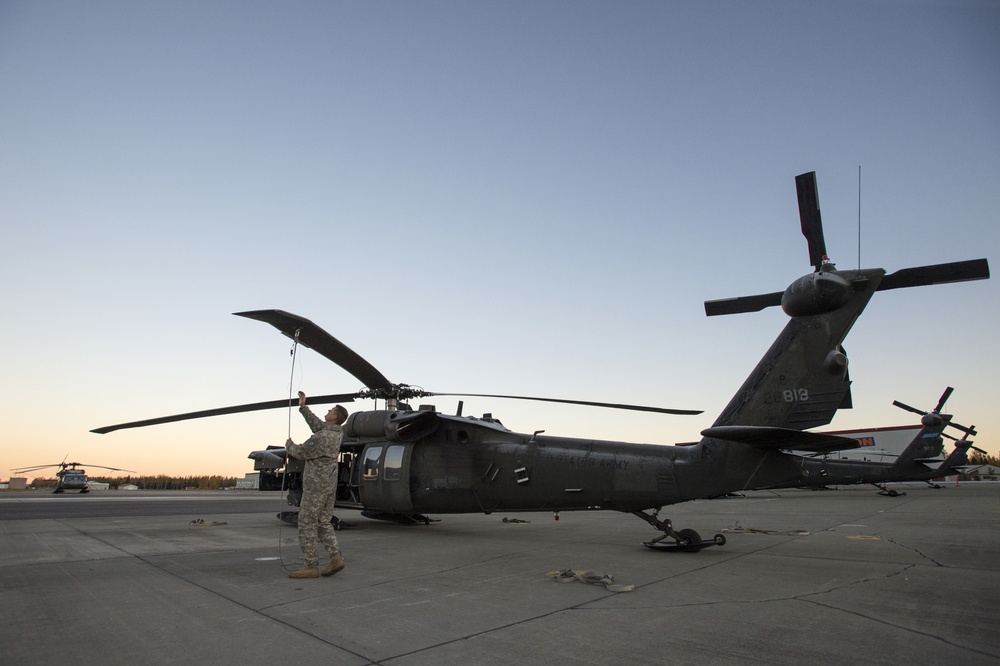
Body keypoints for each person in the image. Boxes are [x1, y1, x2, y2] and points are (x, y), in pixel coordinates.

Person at [285, 390, 348, 579]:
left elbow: (302, 452)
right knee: (323, 522)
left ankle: (310, 565)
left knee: (306, 523)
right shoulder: (336, 433)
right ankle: (335, 557)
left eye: (331, 410)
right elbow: (317, 425)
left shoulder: (322, 437)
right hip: (329, 486)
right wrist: (303, 408)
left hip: (316, 487)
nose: (328, 410)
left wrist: (289, 446)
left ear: (334, 417)